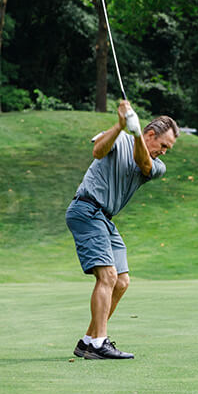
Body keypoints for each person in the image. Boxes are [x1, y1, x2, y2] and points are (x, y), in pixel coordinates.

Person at [65, 100, 179, 359]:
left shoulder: (156, 165)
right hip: (86, 210)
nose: (163, 152)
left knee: (122, 281)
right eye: (163, 146)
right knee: (107, 276)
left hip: (105, 218)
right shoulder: (121, 139)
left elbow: (143, 163)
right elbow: (97, 151)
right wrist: (120, 125)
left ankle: (88, 340)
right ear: (152, 134)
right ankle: (98, 344)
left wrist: (137, 133)